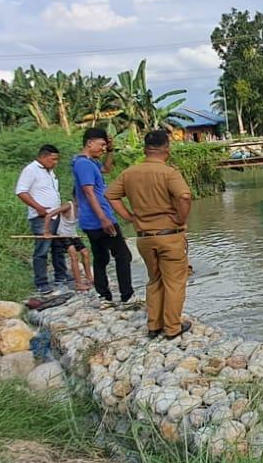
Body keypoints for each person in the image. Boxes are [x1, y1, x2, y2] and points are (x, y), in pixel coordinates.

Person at [106, 129, 193, 339]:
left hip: (144, 237)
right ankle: (172, 327)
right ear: (167, 149)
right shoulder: (169, 173)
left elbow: (110, 195)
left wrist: (129, 217)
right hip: (169, 235)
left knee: (154, 280)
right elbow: (184, 196)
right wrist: (180, 219)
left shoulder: (129, 173)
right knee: (174, 282)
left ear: (145, 149)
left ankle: (154, 325)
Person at [72, 128, 133, 305]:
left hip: (91, 220)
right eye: (102, 145)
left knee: (101, 257)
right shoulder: (83, 164)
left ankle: (104, 295)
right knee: (123, 255)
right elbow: (89, 192)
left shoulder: (88, 162)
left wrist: (111, 150)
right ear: (89, 143)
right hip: (98, 219)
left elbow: (106, 168)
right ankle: (127, 295)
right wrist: (103, 218)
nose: (103, 148)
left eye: (105, 146)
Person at [15, 144, 71, 296]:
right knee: (42, 250)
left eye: (57, 159)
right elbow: (21, 191)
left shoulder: (49, 172)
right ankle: (41, 283)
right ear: (44, 156)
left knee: (58, 247)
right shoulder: (31, 170)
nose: (55, 162)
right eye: (53, 159)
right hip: (41, 217)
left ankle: (61, 276)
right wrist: (38, 208)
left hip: (55, 215)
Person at [52, 201, 93, 293]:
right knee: (74, 256)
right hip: (63, 234)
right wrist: (47, 232)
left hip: (73, 234)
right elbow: (50, 215)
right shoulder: (68, 206)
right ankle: (78, 283)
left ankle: (89, 278)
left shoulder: (83, 208)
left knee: (85, 252)